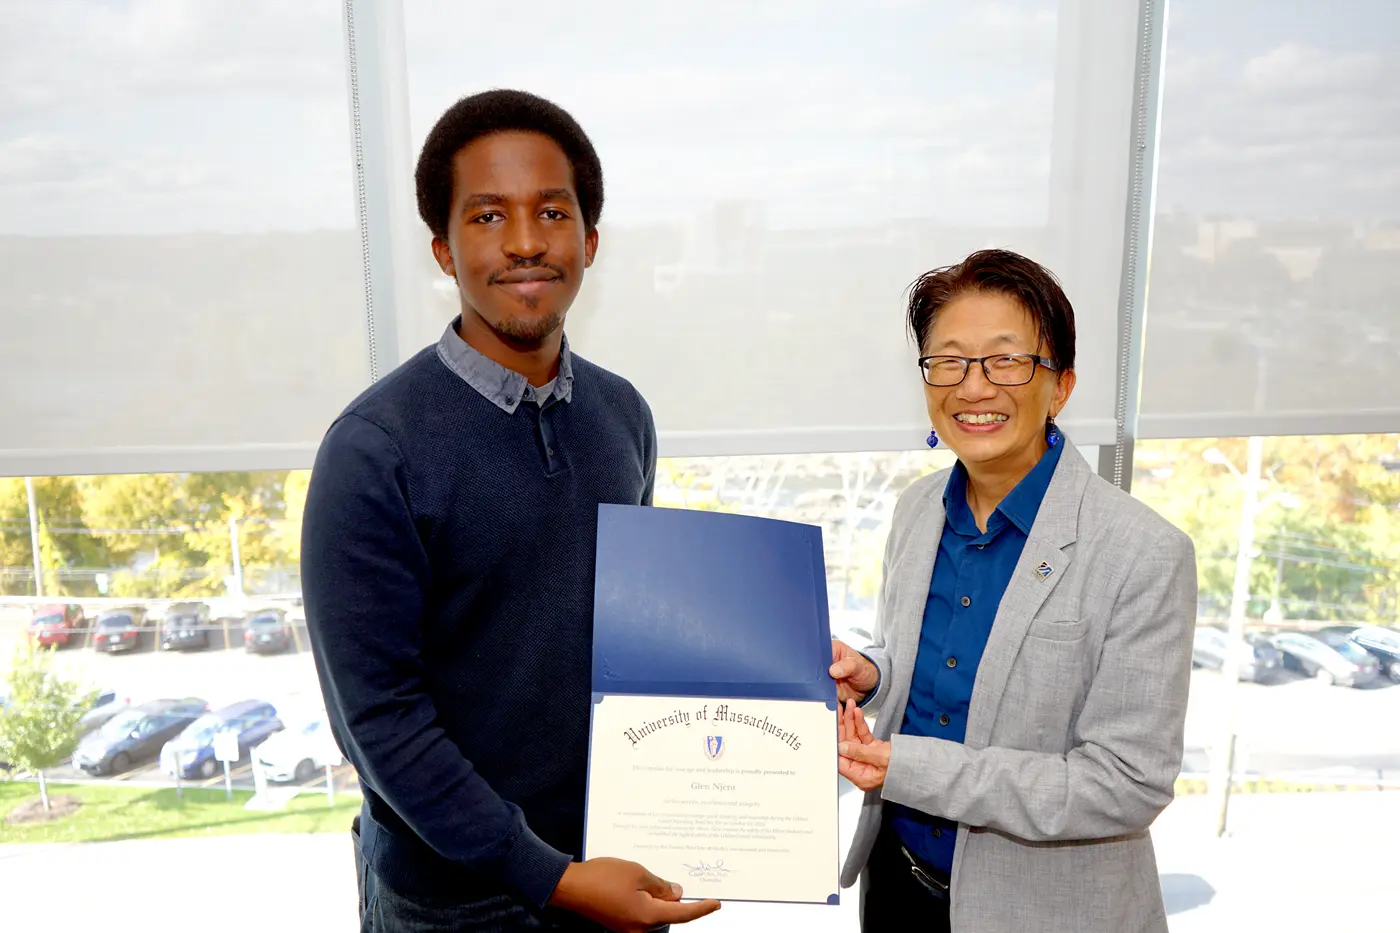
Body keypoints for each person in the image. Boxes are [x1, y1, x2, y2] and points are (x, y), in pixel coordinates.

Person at [301, 89, 721, 933]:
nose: (525, 241)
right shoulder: (373, 449)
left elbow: (625, 637)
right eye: (488, 216)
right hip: (451, 902)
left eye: (552, 212)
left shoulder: (622, 415)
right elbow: (379, 725)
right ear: (443, 248)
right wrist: (553, 877)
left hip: (611, 869)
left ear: (590, 240)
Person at [828, 249, 1197, 933]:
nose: (973, 387)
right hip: (897, 885)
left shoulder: (1143, 552)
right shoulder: (918, 509)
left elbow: (1125, 782)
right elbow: (942, 664)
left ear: (1060, 386)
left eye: (1005, 360)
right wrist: (875, 671)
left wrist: (909, 767)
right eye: (949, 360)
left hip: (1043, 909)